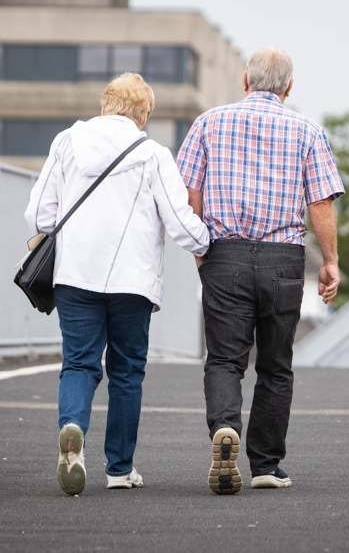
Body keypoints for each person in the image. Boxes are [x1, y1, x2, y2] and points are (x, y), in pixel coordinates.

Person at [25, 73, 210, 496]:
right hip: (133, 280)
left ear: (105, 105)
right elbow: (180, 221)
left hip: (74, 275)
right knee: (126, 372)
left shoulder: (67, 142)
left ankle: (72, 428)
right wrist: (207, 244)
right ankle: (120, 469)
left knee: (79, 363)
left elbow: (38, 215)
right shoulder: (153, 154)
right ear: (143, 117)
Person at [176, 47, 344, 494]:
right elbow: (321, 203)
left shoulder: (208, 123)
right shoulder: (307, 130)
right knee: (275, 365)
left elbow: (189, 192)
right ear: (289, 88)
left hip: (224, 254)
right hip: (283, 259)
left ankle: (224, 429)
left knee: (225, 360)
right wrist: (330, 261)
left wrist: (201, 251)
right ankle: (266, 464)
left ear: (245, 81)